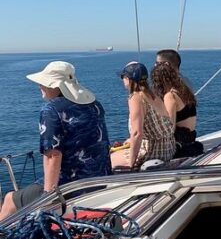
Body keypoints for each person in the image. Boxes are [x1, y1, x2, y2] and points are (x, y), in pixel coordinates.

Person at [0, 61, 111, 220]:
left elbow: (53, 156)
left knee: (10, 199)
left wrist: (48, 198)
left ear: (57, 86)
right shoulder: (94, 105)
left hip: (71, 186)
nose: (39, 85)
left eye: (44, 82)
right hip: (99, 180)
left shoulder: (51, 110)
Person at [111, 62, 176, 169]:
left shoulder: (135, 97)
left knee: (110, 160)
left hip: (153, 152)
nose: (122, 79)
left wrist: (131, 165)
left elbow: (137, 133)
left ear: (128, 78)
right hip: (168, 148)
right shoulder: (152, 94)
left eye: (123, 76)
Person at [151, 62, 203, 158]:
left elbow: (170, 127)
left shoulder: (170, 96)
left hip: (181, 147)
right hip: (192, 143)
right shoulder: (184, 90)